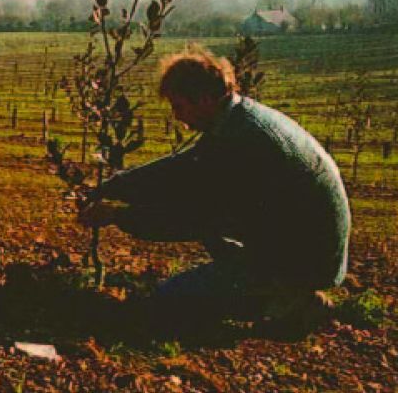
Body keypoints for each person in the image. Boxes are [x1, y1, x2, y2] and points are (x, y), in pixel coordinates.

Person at [78, 46, 351, 334]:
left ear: (205, 99)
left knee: (167, 302)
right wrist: (117, 185)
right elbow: (183, 168)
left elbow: (190, 220)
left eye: (180, 106)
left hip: (304, 259)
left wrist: (118, 216)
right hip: (297, 242)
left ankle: (287, 298)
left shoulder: (243, 143)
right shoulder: (237, 120)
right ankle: (275, 290)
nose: (178, 117)